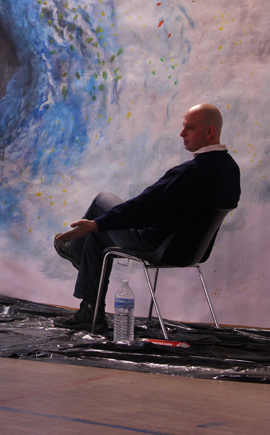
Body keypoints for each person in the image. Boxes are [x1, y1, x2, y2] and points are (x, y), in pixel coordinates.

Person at [53, 103, 240, 332]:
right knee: (96, 236)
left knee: (101, 201)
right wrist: (97, 227)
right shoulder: (231, 170)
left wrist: (97, 222)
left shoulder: (190, 172)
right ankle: (89, 310)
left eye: (189, 128)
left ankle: (75, 252)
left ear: (210, 132)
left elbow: (143, 207)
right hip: (189, 252)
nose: (182, 133)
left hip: (156, 245)